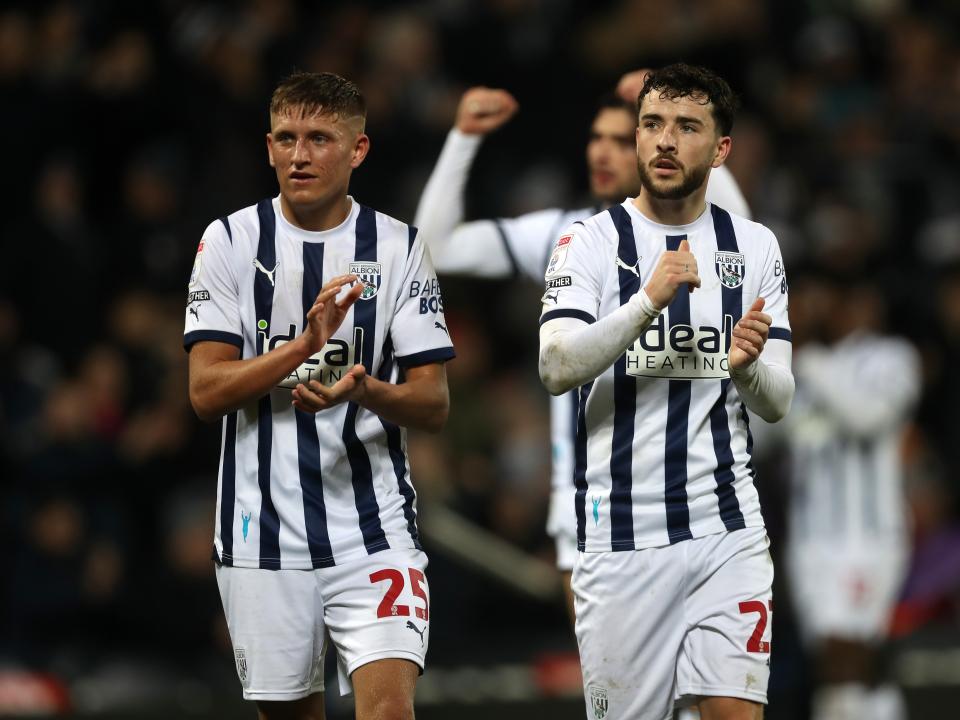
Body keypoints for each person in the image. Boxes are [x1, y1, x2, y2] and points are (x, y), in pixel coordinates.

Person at [413, 73, 750, 621]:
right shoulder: (564, 234)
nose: (602, 152)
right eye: (596, 138)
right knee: (615, 678)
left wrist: (688, 121)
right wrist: (464, 138)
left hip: (696, 493)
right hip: (589, 503)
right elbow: (436, 246)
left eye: (620, 140)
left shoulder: (704, 237)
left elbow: (745, 233)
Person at [184, 71, 454, 720]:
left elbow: (433, 404)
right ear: (268, 147)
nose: (299, 155)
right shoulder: (229, 241)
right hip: (261, 534)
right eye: (286, 138)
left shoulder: (398, 247)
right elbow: (204, 391)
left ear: (358, 150)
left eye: (319, 139)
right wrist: (304, 347)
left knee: (389, 713)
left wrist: (367, 389)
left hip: (373, 528)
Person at [537, 63, 794, 720]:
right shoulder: (588, 241)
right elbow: (556, 366)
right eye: (651, 124)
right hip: (622, 538)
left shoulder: (753, 246)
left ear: (720, 148)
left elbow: (778, 401)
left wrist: (746, 369)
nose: (665, 140)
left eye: (687, 127)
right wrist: (646, 302)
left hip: (727, 530)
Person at [783, 274, 919, 720]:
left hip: (866, 535)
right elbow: (774, 434)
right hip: (809, 539)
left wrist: (810, 358)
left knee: (852, 652)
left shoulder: (892, 358)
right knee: (826, 659)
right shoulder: (796, 366)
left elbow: (867, 417)